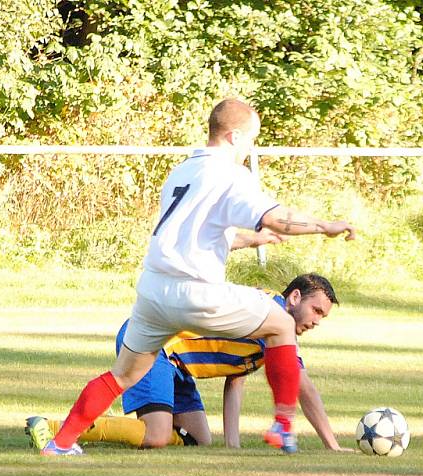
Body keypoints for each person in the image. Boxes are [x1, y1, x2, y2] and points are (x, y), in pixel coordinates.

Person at [39, 98, 355, 456]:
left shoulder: (183, 171)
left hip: (154, 293)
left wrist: (251, 239)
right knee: (282, 322)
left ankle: (60, 442)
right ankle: (283, 426)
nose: (251, 148)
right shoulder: (230, 174)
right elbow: (276, 217)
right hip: (196, 293)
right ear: (235, 136)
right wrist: (324, 226)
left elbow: (195, 233)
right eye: (251, 139)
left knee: (123, 376)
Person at [25, 274, 352, 451]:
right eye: (317, 311)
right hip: (158, 346)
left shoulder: (270, 328)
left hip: (179, 365)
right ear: (294, 297)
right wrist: (332, 445)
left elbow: (234, 381)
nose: (317, 320)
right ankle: (55, 429)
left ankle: (70, 430)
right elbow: (303, 389)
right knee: (156, 435)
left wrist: (232, 446)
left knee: (197, 437)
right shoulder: (274, 317)